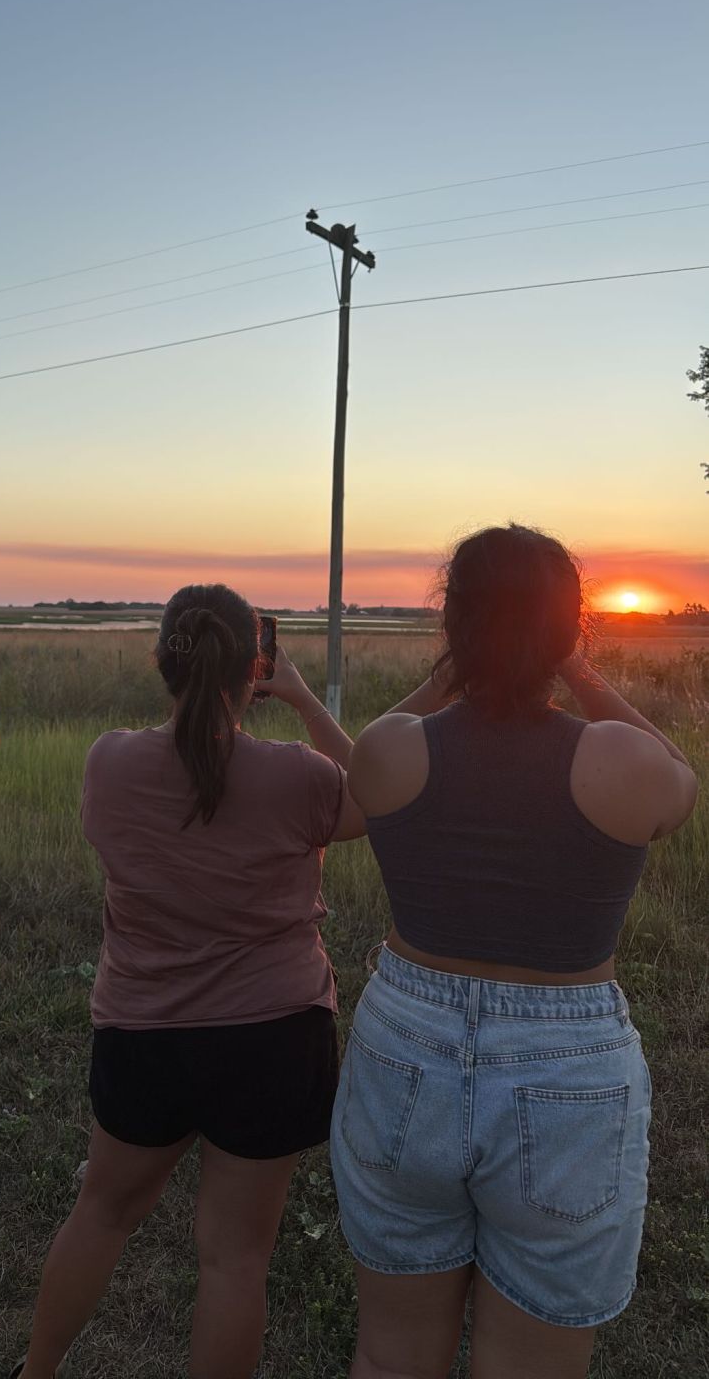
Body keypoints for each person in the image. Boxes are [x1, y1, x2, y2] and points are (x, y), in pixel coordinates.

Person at [331, 524, 698, 1379]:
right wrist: (576, 669)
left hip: (405, 1051)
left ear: (453, 625)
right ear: (568, 628)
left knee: (391, 1356)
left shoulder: (390, 753)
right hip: (568, 1075)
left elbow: (382, 736)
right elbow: (678, 774)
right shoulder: (618, 763)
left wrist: (453, 670)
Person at [11, 582, 365, 1379]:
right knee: (235, 1262)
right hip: (274, 1041)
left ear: (162, 662)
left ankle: (35, 1372)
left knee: (101, 1213)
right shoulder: (297, 776)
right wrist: (306, 701)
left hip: (144, 1037)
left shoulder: (111, 763)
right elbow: (378, 802)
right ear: (255, 669)